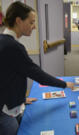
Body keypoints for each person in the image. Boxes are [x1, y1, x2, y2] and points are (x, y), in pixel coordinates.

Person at [0, 2, 74, 135]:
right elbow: (38, 75)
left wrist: (21, 99)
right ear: (18, 21)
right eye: (31, 22)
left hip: (10, 104)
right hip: (5, 111)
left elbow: (7, 77)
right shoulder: (13, 47)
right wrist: (65, 84)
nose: (34, 27)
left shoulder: (4, 41)